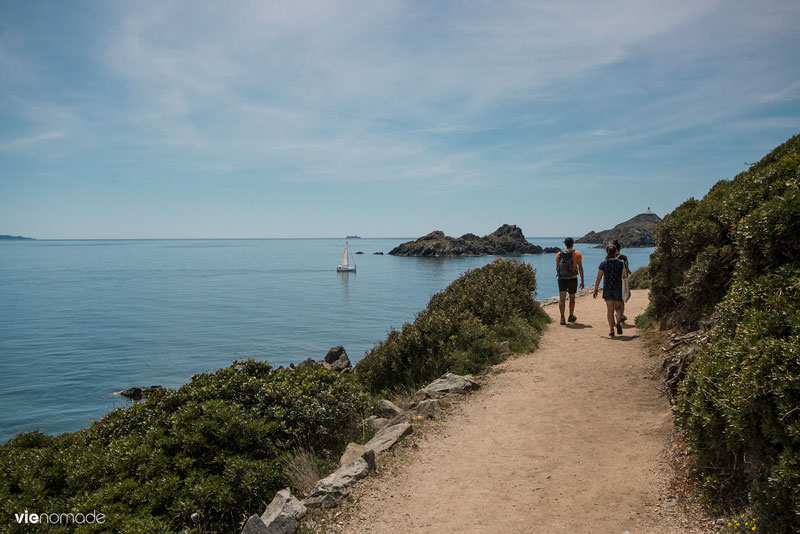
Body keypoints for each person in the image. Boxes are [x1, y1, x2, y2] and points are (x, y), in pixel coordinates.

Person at [593, 244, 628, 337]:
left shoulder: (603, 264)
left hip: (607, 288)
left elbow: (598, 278)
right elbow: (624, 276)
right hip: (618, 288)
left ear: (607, 252)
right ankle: (618, 322)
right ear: (616, 251)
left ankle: (611, 329)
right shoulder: (621, 263)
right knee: (619, 308)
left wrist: (595, 289)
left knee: (610, 310)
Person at [555, 237, 584, 325]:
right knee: (572, 298)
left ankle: (562, 317)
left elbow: (557, 268)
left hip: (562, 279)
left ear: (565, 244)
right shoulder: (577, 253)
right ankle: (571, 316)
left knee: (562, 299)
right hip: (573, 278)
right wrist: (582, 280)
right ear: (573, 244)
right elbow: (580, 267)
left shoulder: (559, 253)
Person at [612, 239, 631, 321]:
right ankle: (621, 315)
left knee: (612, 301)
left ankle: (614, 316)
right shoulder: (624, 258)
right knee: (621, 300)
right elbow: (627, 270)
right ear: (619, 249)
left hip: (612, 281)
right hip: (621, 282)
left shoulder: (609, 258)